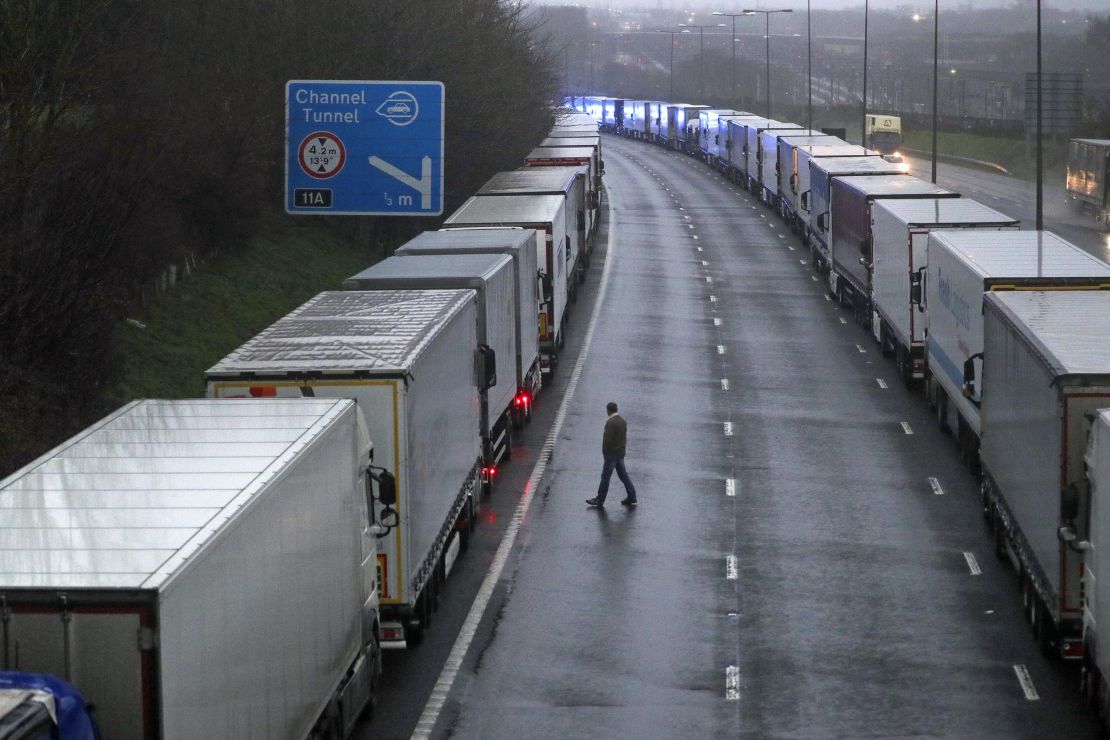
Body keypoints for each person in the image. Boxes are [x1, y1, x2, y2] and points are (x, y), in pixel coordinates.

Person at [586, 402, 637, 507]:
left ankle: (600, 499)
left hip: (611, 455)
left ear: (608, 410)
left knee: (605, 477)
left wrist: (605, 452)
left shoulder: (611, 422)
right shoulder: (623, 421)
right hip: (620, 453)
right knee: (624, 475)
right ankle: (632, 496)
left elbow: (607, 440)